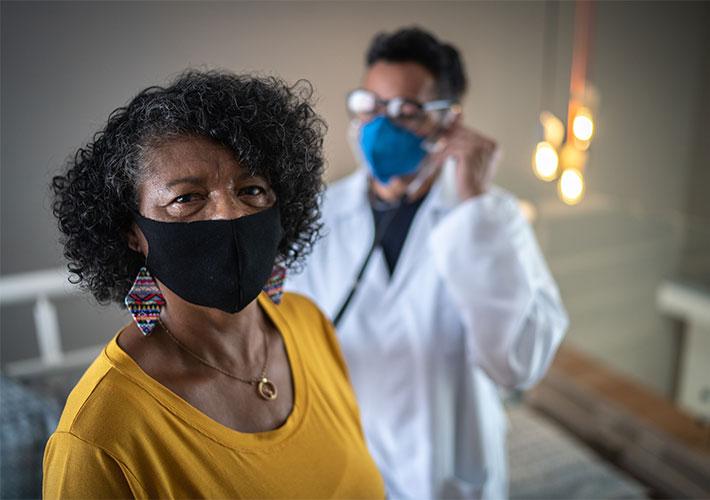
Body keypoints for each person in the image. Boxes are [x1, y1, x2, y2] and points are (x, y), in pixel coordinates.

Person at [43, 70, 385, 498]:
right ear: (132, 231)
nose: (230, 215)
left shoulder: (309, 324)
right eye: (187, 198)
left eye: (252, 189)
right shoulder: (99, 437)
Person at [286, 27, 569, 499]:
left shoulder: (493, 218)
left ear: (449, 123)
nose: (380, 125)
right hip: (344, 473)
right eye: (370, 106)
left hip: (450, 478)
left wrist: (474, 208)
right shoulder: (320, 217)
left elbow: (519, 365)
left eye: (405, 111)